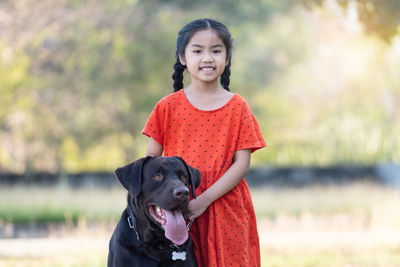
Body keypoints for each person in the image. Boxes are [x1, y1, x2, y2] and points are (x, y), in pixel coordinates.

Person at [142, 18, 266, 267]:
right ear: (183, 58)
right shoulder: (167, 106)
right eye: (197, 51)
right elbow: (151, 163)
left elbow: (241, 165)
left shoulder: (237, 107)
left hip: (226, 205)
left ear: (227, 59)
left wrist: (203, 201)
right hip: (178, 206)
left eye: (216, 51)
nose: (207, 58)